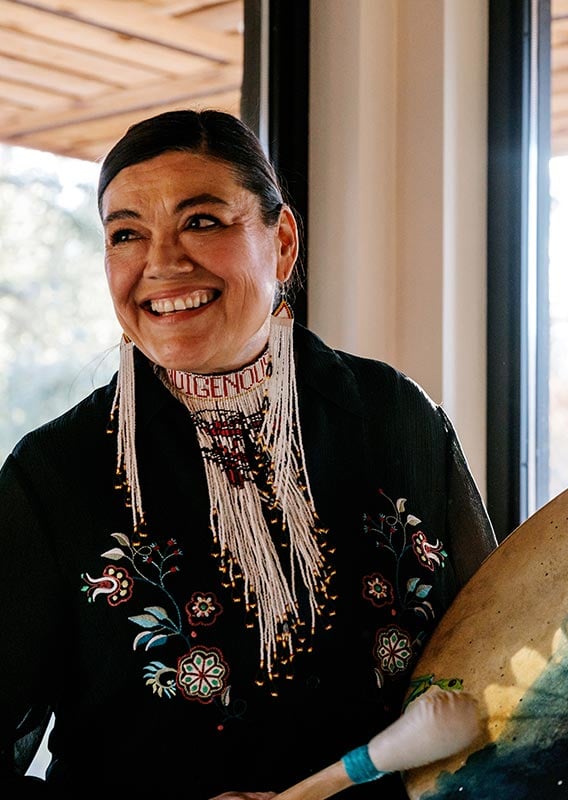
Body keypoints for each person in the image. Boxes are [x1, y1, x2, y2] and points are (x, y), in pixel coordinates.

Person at [0, 109, 497, 799]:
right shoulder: (55, 474)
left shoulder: (393, 418)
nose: (163, 262)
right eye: (126, 235)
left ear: (283, 241)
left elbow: (499, 665)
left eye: (202, 221)